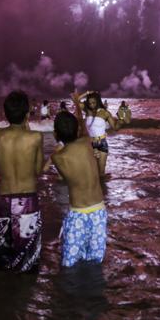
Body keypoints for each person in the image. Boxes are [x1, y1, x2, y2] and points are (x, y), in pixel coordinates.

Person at [0, 90, 45, 272]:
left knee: (0, 258)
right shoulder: (35, 137)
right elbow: (37, 171)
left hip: (5, 199)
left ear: (4, 114)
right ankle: (24, 295)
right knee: (27, 261)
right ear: (28, 114)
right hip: (27, 200)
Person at [52, 98, 107, 268]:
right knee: (96, 261)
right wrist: (77, 104)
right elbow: (83, 125)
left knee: (70, 262)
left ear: (55, 135)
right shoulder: (86, 143)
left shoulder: (58, 157)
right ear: (77, 131)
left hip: (78, 213)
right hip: (99, 210)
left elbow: (65, 178)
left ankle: (71, 292)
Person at [78, 91, 119, 178]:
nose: (92, 105)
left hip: (102, 143)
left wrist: (122, 119)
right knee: (91, 172)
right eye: (89, 103)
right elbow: (76, 100)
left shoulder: (105, 113)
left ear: (98, 102)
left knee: (101, 172)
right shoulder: (87, 110)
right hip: (89, 144)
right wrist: (87, 93)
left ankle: (103, 189)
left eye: (94, 103)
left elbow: (115, 127)